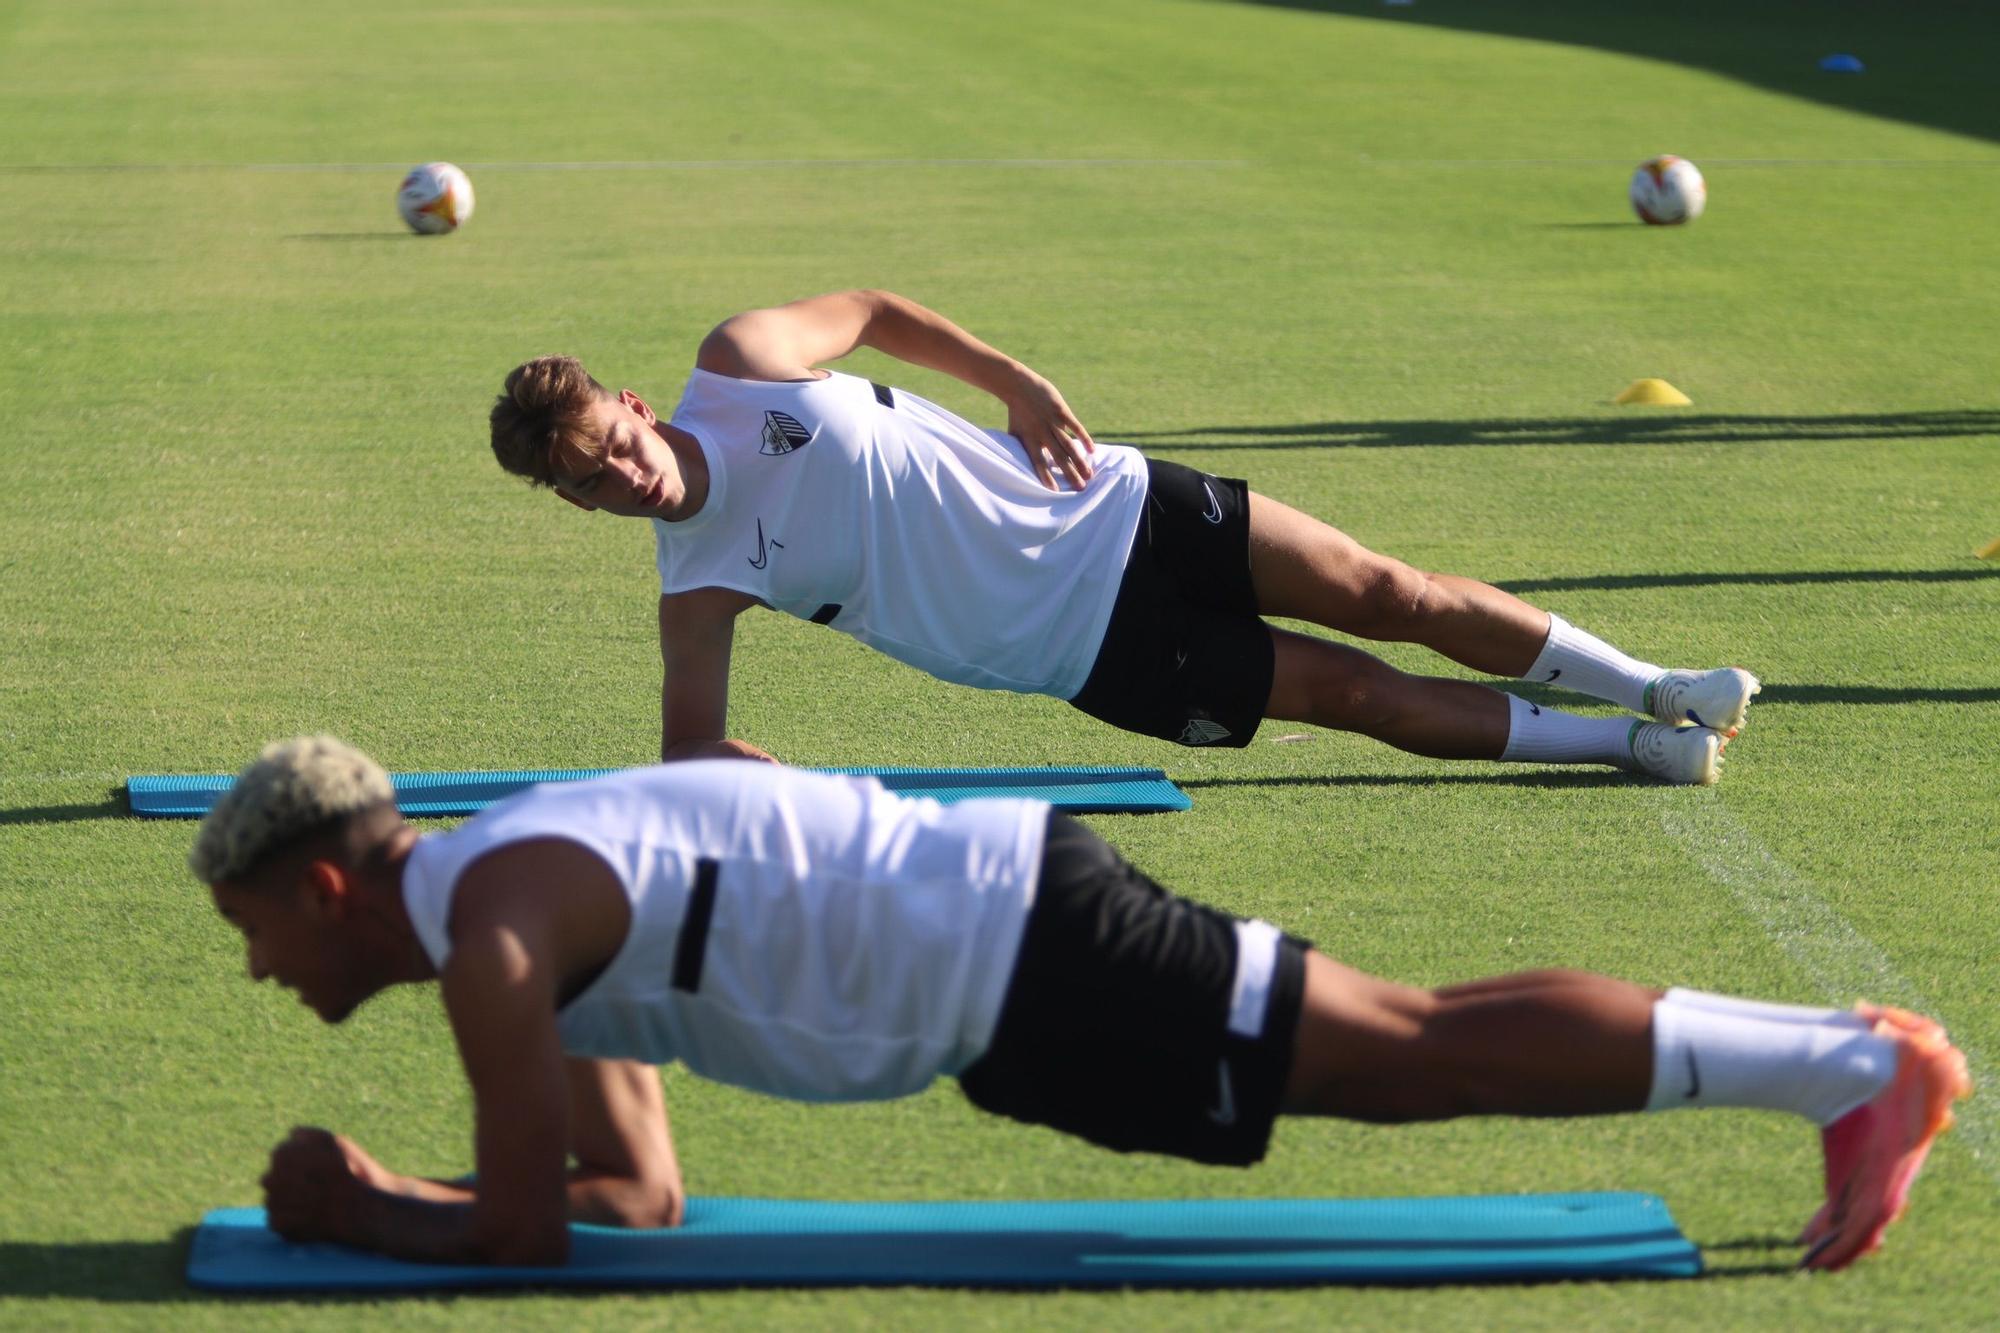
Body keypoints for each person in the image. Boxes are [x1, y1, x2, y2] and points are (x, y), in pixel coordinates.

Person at [194, 737, 1966, 1271]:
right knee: (1403, 1047)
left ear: (326, 884)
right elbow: (627, 1196)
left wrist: (360, 1206)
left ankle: (1845, 1066)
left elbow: (519, 1228)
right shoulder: (508, 896)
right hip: (1007, 961)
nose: (262, 970)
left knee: (1412, 1056)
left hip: (1023, 950)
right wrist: (415, 1202)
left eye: (258, 930)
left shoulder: (495, 933)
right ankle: (1838, 1064)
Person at [488, 290, 1760, 784]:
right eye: (594, 485)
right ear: (574, 507)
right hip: (1078, 650)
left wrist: (1016, 382)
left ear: (635, 406)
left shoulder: (743, 363)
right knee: (1354, 692)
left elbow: (871, 311)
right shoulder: (694, 586)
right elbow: (690, 749)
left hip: (1112, 502)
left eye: (616, 442)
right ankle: (1631, 746)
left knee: (1389, 588)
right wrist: (784, 787)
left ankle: (1657, 683)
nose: (628, 477)